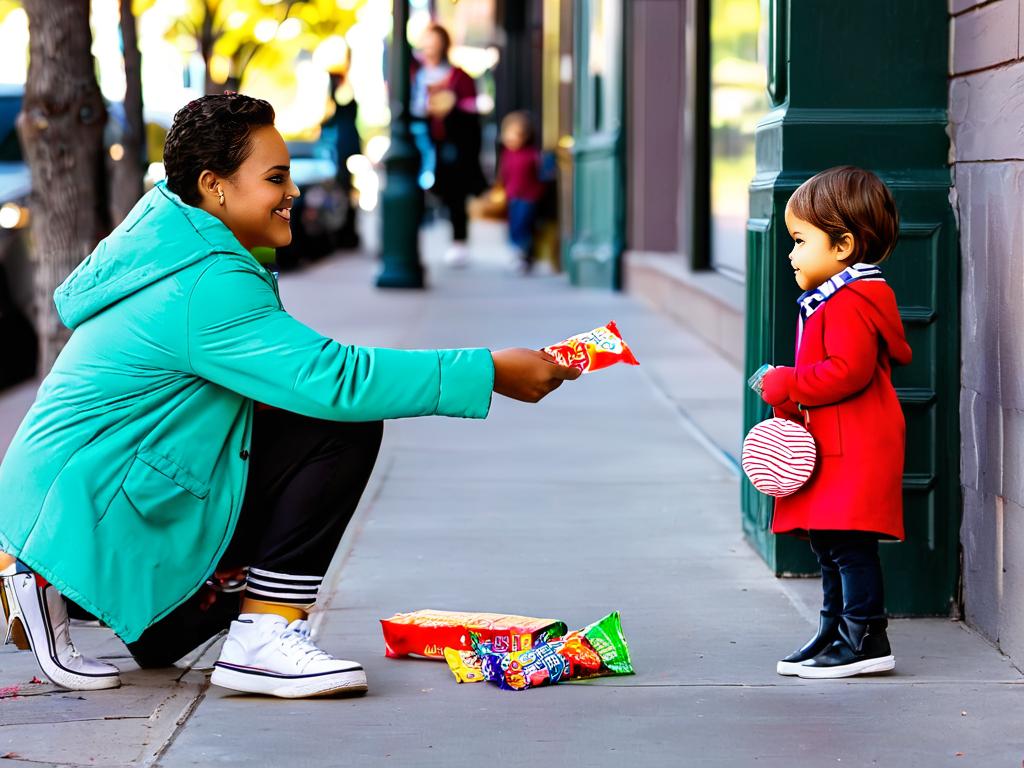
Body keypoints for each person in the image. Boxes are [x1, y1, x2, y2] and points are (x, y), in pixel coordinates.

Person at [0, 93, 579, 699]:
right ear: (214, 186)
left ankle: (74, 584)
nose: (293, 192)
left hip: (102, 502)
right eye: (275, 178)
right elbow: (334, 379)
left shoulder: (183, 247)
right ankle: (257, 636)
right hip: (89, 509)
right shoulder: (205, 278)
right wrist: (488, 371)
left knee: (296, 429)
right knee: (340, 426)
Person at [758, 166, 912, 679]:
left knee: (848, 542)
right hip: (837, 440)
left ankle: (866, 636)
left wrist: (787, 383)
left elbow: (848, 371)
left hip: (856, 443)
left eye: (800, 240)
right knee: (829, 540)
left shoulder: (851, 302)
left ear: (843, 244)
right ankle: (834, 630)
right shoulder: (834, 297)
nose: (791, 253)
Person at [411, 23, 487, 267]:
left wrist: (451, 106)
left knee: (456, 193)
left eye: (435, 42)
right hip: (422, 141)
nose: (430, 48)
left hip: (451, 145)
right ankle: (412, 241)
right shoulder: (414, 75)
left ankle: (459, 242)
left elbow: (473, 108)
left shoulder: (459, 76)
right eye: (427, 42)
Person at [498, 112, 545, 274]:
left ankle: (524, 254)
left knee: (524, 224)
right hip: (513, 195)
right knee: (514, 224)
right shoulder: (507, 155)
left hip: (529, 196)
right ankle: (517, 252)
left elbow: (540, 175)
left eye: (517, 135)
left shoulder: (531, 154)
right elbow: (504, 175)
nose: (512, 139)